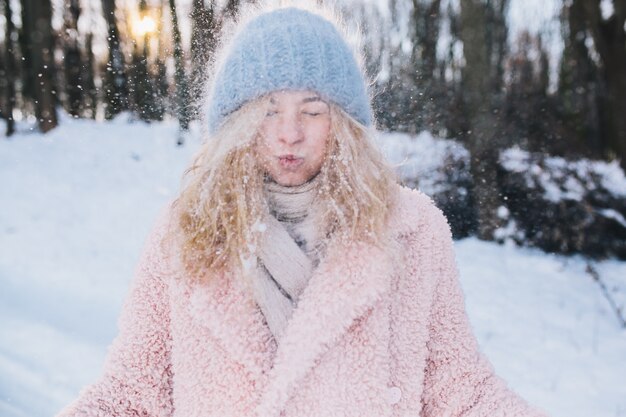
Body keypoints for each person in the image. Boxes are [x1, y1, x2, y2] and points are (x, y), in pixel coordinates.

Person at [56, 2, 548, 417]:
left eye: (312, 110)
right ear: (238, 123)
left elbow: (459, 389)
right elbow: (131, 393)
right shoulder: (186, 232)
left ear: (345, 124)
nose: (289, 132)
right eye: (268, 110)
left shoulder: (410, 231)